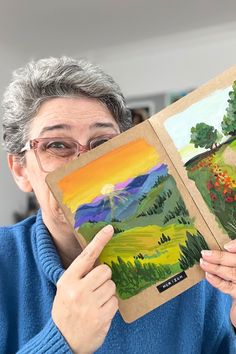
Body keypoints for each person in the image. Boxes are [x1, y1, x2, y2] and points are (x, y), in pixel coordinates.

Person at [0, 56, 235, 354]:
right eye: (57, 145)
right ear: (20, 169)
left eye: (102, 145)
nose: (83, 164)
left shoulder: (200, 261)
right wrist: (62, 341)